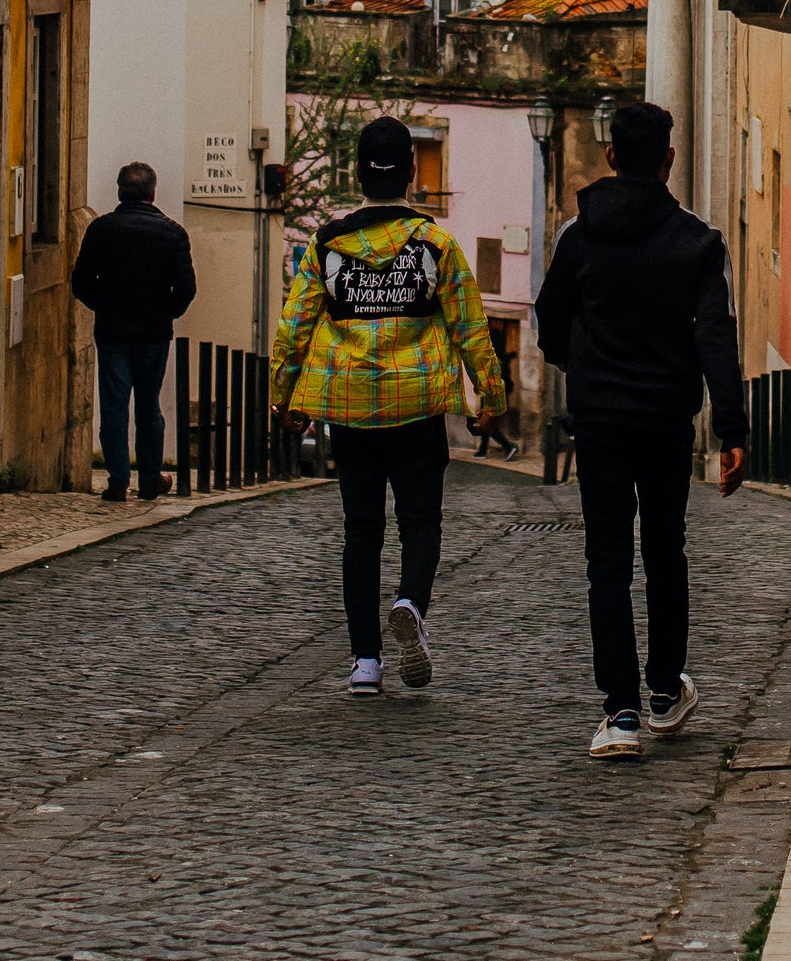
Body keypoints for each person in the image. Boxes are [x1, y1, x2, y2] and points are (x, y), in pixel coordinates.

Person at [535, 97, 748, 759]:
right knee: (663, 550)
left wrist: (580, 364)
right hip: (665, 419)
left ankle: (620, 712)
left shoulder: (577, 236)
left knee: (606, 561)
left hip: (599, 418)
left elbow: (549, 320)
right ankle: (663, 690)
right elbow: (715, 334)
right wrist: (732, 430)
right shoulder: (699, 242)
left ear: (610, 156)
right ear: (669, 159)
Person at [271, 114, 507, 699]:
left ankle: (365, 662)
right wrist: (489, 396)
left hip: (351, 408)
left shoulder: (327, 245)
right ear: (411, 172)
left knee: (361, 530)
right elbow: (471, 326)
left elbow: (295, 325)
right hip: (418, 404)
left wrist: (284, 393)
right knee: (421, 522)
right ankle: (410, 603)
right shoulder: (437, 245)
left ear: (357, 171)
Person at [72, 162, 197, 503]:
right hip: (154, 332)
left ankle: (117, 481)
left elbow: (81, 282)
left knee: (114, 404)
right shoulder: (173, 233)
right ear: (152, 193)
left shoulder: (101, 230)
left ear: (119, 191)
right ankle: (150, 479)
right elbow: (186, 289)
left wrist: (104, 305)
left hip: (112, 329)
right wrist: (165, 311)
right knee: (148, 405)